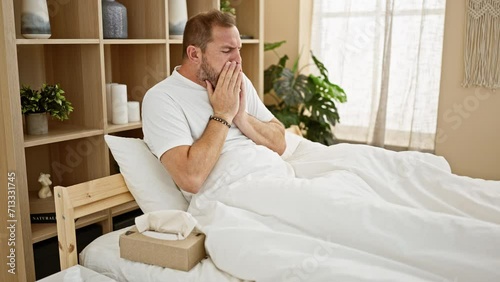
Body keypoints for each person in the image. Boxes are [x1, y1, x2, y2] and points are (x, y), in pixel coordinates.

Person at [142, 10, 286, 197]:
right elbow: (190, 179)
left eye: (238, 50)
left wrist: (241, 117)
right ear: (194, 54)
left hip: (275, 177)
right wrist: (223, 114)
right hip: (232, 194)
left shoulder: (238, 81)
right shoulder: (161, 98)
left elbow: (280, 143)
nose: (238, 60)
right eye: (227, 51)